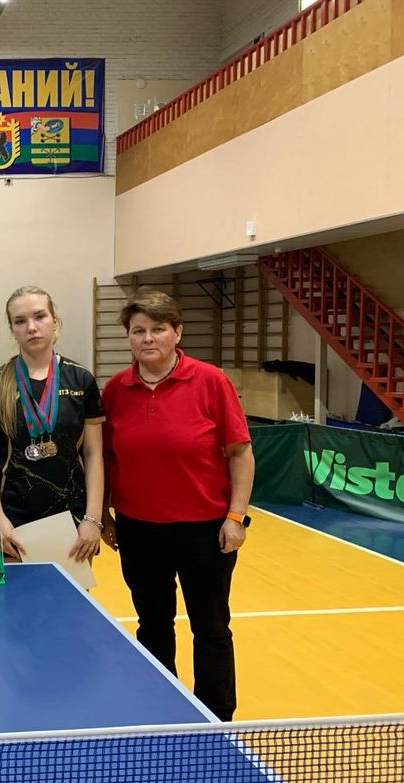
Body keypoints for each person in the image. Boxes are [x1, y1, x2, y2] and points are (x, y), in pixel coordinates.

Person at [101, 287, 254, 722]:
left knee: (211, 627)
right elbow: (105, 457)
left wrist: (235, 517)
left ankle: (216, 717)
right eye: (138, 331)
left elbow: (240, 453)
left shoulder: (211, 381)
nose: (147, 338)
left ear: (178, 332)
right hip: (138, 530)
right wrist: (106, 514)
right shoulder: (115, 390)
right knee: (153, 625)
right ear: (129, 337)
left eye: (158, 329)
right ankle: (161, 709)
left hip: (205, 531)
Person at [0, 286, 105, 563]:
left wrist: (92, 519)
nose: (31, 327)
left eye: (40, 316)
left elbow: (93, 453)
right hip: (13, 521)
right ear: (12, 329)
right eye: (20, 321)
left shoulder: (81, 379)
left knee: (66, 593)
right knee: (17, 593)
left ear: (55, 320)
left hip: (73, 520)